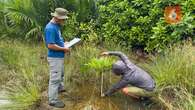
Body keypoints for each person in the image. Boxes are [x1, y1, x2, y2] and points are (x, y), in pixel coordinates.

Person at [44, 8, 69, 108]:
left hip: (59, 57)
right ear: (57, 18)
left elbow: (57, 40)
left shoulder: (56, 26)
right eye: (63, 19)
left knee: (61, 74)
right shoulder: (50, 28)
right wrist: (64, 49)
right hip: (55, 58)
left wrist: (64, 44)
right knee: (54, 78)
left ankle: (59, 88)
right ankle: (53, 100)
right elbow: (50, 45)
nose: (64, 21)